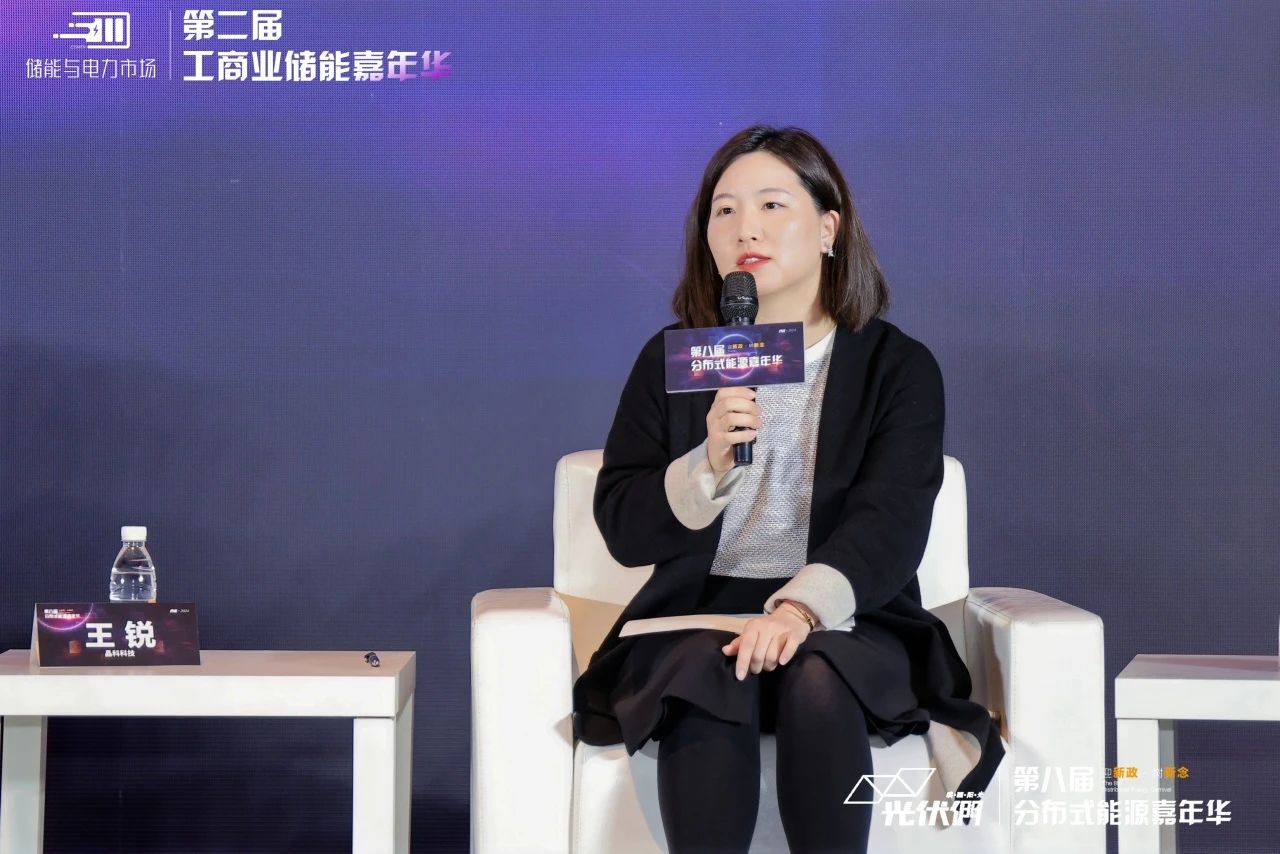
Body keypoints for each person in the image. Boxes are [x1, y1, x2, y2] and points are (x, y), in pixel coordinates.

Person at [572, 125, 1004, 853]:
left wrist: (801, 608)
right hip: (696, 619)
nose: (746, 229)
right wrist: (707, 463)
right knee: (707, 670)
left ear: (829, 229)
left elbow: (891, 521)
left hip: (849, 620)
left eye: (772, 205)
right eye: (725, 210)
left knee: (815, 673)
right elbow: (622, 523)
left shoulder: (896, 367)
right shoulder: (675, 359)